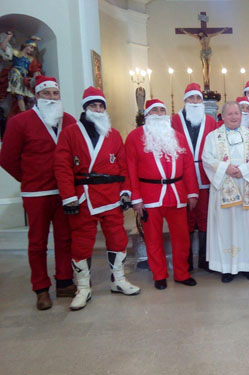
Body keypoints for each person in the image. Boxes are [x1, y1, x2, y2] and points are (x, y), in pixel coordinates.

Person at [54, 86, 140, 311]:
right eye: (94, 105)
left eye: (101, 105)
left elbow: (122, 166)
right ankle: (83, 287)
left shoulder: (113, 134)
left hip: (111, 196)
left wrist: (125, 192)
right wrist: (68, 197)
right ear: (85, 108)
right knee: (82, 242)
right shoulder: (70, 133)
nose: (98, 108)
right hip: (83, 197)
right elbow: (62, 167)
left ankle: (118, 280)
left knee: (117, 238)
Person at [0, 75, 75, 310]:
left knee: (65, 238)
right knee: (37, 241)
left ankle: (64, 282)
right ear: (37, 96)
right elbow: (7, 158)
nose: (52, 98)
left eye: (55, 93)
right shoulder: (19, 122)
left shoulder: (70, 121)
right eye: (46, 94)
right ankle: (41, 289)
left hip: (64, 193)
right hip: (36, 193)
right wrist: (29, 178)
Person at [126, 99, 199, 289]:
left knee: (182, 238)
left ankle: (182, 273)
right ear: (147, 115)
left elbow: (188, 167)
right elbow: (130, 169)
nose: (159, 113)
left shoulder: (178, 137)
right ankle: (159, 274)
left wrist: (192, 193)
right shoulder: (135, 137)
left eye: (162, 110)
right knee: (153, 238)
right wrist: (136, 197)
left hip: (177, 194)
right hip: (149, 195)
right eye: (154, 111)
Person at [202, 101, 249, 282]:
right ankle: (227, 267)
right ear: (222, 117)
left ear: (241, 115)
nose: (233, 117)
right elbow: (207, 158)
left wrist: (244, 171)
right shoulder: (212, 137)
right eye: (229, 114)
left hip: (247, 184)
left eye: (236, 113)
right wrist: (226, 168)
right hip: (224, 186)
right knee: (226, 228)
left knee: (248, 227)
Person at [171, 83, 217, 271]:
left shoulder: (211, 121)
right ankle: (186, 260)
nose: (195, 101)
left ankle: (205, 259)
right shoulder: (174, 120)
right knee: (185, 219)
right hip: (182, 177)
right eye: (191, 98)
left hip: (206, 175)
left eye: (198, 98)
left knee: (206, 217)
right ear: (185, 100)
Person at [0, 32, 43, 114]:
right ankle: (23, 114)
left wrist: (36, 77)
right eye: (30, 47)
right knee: (20, 95)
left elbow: (35, 69)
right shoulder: (17, 53)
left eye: (33, 48)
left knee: (31, 97)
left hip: (23, 78)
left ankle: (32, 113)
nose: (32, 50)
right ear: (26, 46)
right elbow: (3, 47)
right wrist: (9, 37)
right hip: (15, 75)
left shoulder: (31, 58)